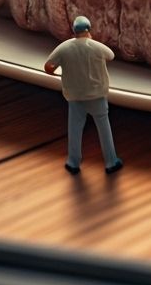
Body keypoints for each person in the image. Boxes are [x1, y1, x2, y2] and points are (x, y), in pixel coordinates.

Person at [44, 16, 123, 175]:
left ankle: (73, 162)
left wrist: (59, 73)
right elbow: (111, 55)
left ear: (74, 31)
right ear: (88, 30)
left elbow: (48, 66)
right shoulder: (97, 47)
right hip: (97, 96)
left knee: (75, 130)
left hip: (75, 97)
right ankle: (110, 161)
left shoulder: (65, 47)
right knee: (104, 128)